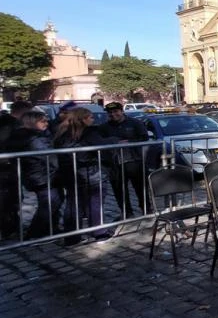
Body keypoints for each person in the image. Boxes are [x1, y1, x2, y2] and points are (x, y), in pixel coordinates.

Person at [55, 108, 114, 244]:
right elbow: (101, 145)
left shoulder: (62, 132)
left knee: (73, 204)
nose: (93, 120)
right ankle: (98, 232)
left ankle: (72, 237)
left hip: (70, 173)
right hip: (89, 171)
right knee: (94, 202)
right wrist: (114, 140)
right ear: (83, 119)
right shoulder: (89, 132)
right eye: (90, 117)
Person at [5, 111, 60, 240]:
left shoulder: (35, 135)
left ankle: (50, 229)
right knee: (50, 202)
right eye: (42, 121)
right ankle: (35, 233)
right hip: (40, 175)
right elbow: (46, 155)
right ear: (32, 122)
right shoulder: (32, 138)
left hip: (41, 174)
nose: (46, 123)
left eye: (46, 120)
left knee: (54, 200)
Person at [100, 102, 150, 218]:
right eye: (110, 113)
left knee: (140, 188)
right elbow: (100, 141)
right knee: (119, 190)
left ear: (121, 111)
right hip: (115, 163)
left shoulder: (135, 123)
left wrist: (129, 142)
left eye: (115, 111)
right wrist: (113, 142)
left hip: (134, 161)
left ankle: (146, 210)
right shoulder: (104, 127)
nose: (113, 114)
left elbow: (144, 138)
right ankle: (127, 212)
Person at [0, 101, 34, 238]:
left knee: (13, 197)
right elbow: (5, 144)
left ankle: (12, 226)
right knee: (8, 198)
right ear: (23, 111)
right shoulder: (9, 125)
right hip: (6, 167)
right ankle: (8, 229)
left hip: (10, 166)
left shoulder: (7, 122)